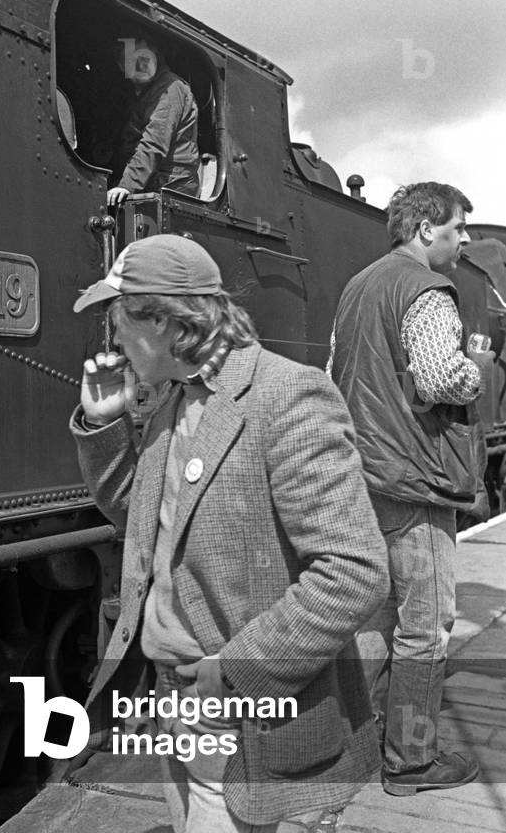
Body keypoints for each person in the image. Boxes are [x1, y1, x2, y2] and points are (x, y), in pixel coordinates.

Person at [70, 234, 389, 833]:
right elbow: (142, 522)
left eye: (117, 322)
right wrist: (103, 423)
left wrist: (237, 671)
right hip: (173, 695)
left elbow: (355, 571)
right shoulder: (173, 398)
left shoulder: (286, 395)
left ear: (163, 320)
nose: (111, 342)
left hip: (235, 708)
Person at [328, 182, 495, 796]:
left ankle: (363, 740)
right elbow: (437, 377)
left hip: (365, 472)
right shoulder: (426, 289)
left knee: (377, 615)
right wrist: (476, 368)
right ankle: (411, 762)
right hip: (415, 476)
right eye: (458, 227)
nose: (466, 239)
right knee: (425, 625)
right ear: (427, 228)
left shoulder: (357, 286)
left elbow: (334, 374)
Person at [106, 38, 200, 207]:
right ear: (122, 67)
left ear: (155, 55)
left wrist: (128, 184)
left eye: (145, 58)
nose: (142, 66)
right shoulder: (141, 93)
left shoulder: (171, 87)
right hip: (153, 181)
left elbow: (155, 141)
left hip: (172, 187)